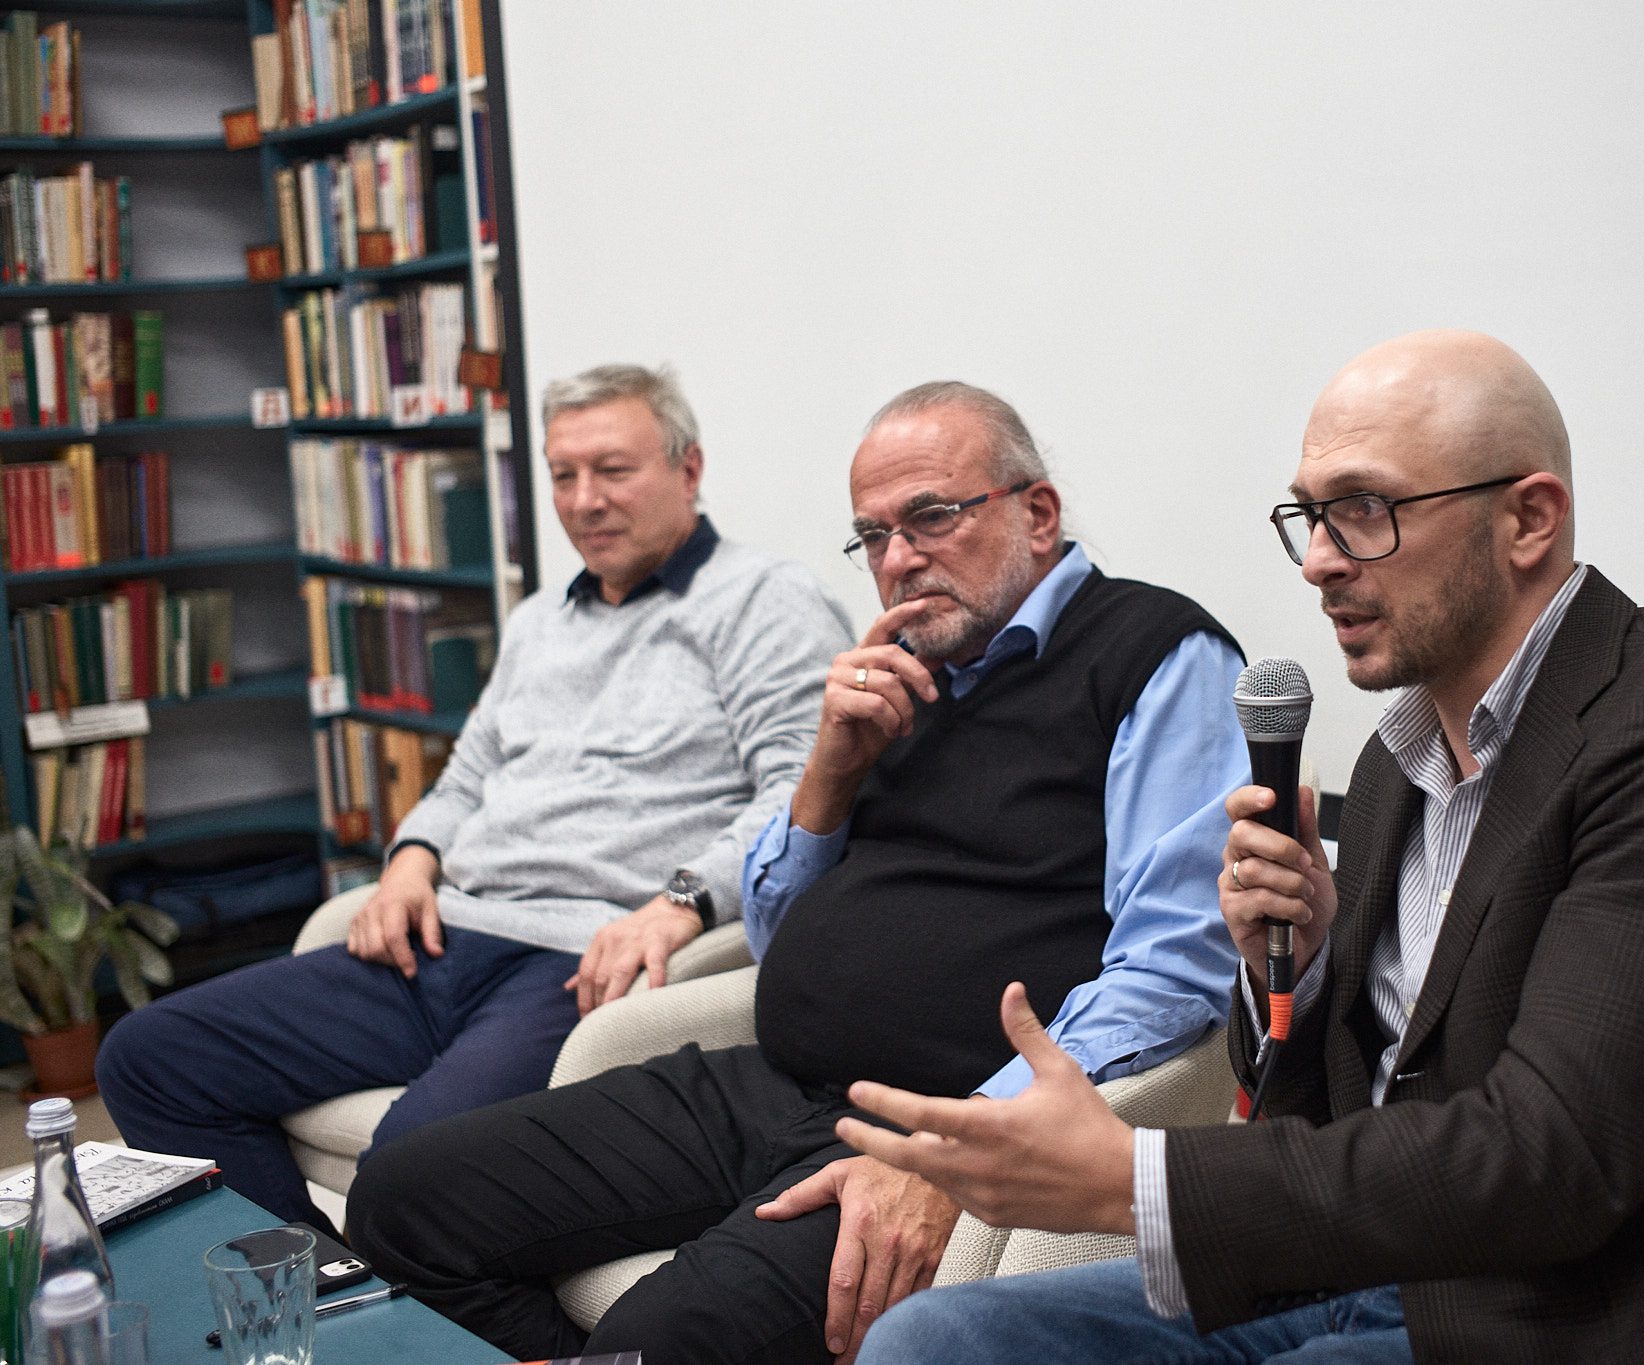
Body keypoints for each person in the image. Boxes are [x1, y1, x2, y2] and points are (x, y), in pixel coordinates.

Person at [845, 332, 1644, 1364]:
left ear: (1527, 518)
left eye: (1363, 510)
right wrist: (1285, 972)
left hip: (1580, 1312)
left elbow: (1550, 1161)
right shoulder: (1405, 752)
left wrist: (1131, 1176)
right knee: (937, 1340)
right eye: (1308, 516)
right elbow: (1345, 1110)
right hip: (1373, 1274)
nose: (1319, 562)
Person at [346, 381, 1249, 1365]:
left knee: (660, 1335)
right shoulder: (900, 672)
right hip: (774, 1085)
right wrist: (828, 768)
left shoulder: (1157, 653)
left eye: (931, 517)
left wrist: (970, 1145)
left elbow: (1174, 972)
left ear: (1035, 512)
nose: (899, 558)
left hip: (935, 1121)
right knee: (400, 1204)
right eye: (873, 535)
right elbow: (780, 937)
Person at [97, 363, 851, 1233]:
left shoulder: (763, 601)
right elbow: (464, 777)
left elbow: (801, 789)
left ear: (689, 470)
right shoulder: (540, 622)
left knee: (414, 1165)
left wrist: (682, 900)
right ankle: (315, 1291)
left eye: (613, 469)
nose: (584, 499)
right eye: (563, 474)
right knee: (149, 1058)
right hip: (443, 936)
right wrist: (411, 861)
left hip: (577, 959)